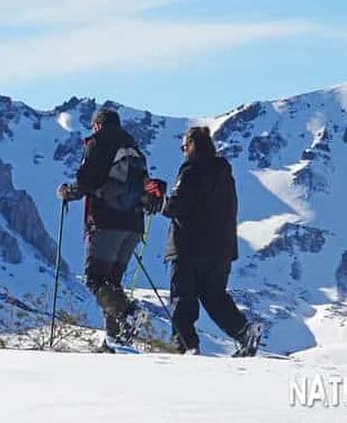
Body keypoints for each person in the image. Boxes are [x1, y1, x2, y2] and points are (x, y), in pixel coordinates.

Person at [162, 126, 263, 356]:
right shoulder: (225, 174)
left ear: (191, 146)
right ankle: (244, 332)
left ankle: (187, 347)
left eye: (184, 147)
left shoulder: (190, 171)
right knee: (215, 296)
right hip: (221, 249)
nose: (183, 151)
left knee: (183, 300)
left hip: (189, 246)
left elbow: (178, 205)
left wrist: (161, 203)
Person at [57, 108, 149, 351]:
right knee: (112, 282)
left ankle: (128, 314)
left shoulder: (98, 143)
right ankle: (114, 340)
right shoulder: (134, 147)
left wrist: (68, 192)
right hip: (134, 225)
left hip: (107, 221)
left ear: (97, 125)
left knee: (96, 278)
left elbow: (87, 180)